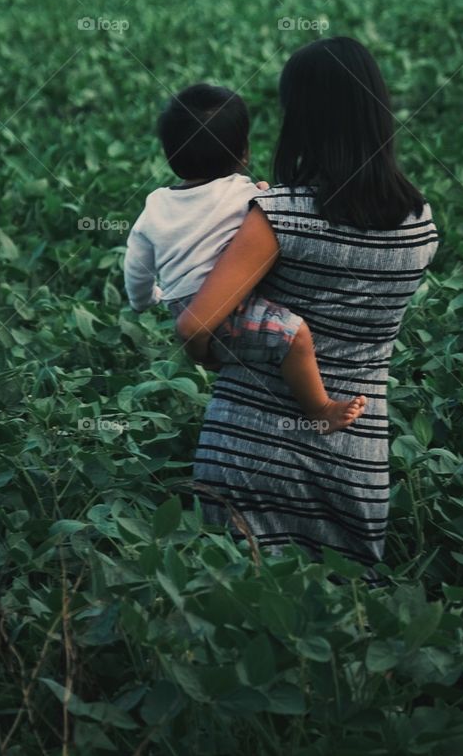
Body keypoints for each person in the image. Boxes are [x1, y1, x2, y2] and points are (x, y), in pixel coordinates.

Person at [175, 38, 439, 585]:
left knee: (236, 629)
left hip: (247, 454)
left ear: (302, 118)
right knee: (344, 635)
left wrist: (214, 355)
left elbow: (195, 324)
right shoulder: (420, 224)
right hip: (354, 460)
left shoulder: (277, 215)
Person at [123, 82, 366, 433]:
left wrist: (144, 300)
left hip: (180, 303)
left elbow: (136, 262)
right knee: (294, 335)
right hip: (221, 311)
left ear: (170, 154)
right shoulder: (242, 193)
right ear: (244, 153)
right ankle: (320, 409)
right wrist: (265, 192)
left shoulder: (156, 204)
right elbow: (270, 212)